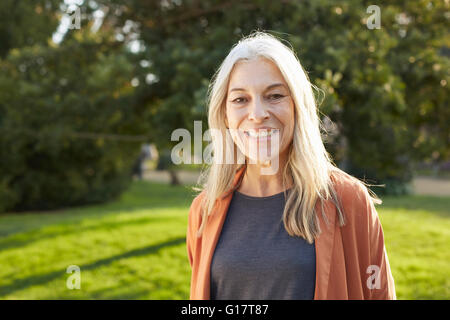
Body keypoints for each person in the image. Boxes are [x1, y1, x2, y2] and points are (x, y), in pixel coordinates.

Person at [186, 31, 396, 300]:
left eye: (274, 96)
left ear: (297, 106)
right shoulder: (204, 211)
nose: (258, 114)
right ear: (224, 115)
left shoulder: (348, 200)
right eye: (240, 99)